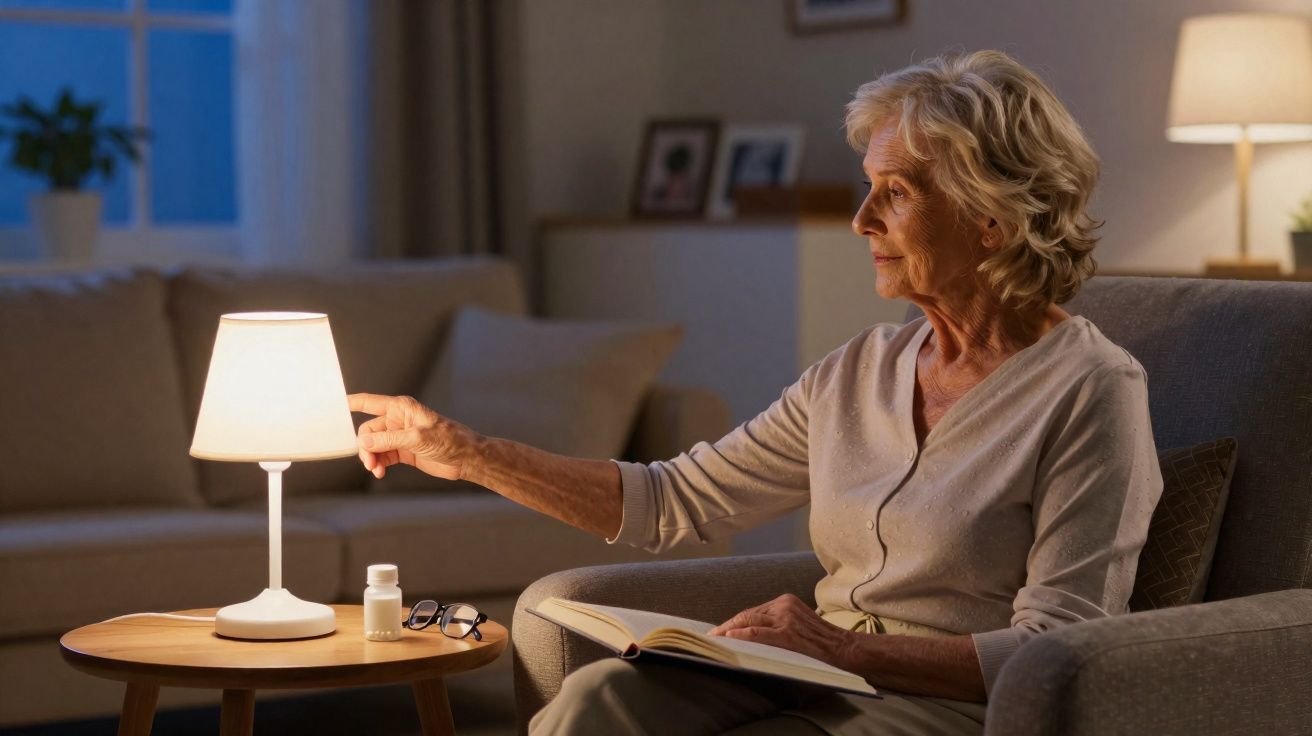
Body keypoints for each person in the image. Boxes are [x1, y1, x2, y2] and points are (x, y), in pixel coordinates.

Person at [348, 50, 1163, 735]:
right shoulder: (858, 371)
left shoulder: (1090, 392)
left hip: (943, 704)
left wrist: (841, 650)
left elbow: (1059, 650)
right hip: (813, 672)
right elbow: (671, 501)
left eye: (898, 192)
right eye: (868, 186)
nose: (861, 219)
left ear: (993, 216)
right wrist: (464, 452)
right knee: (598, 701)